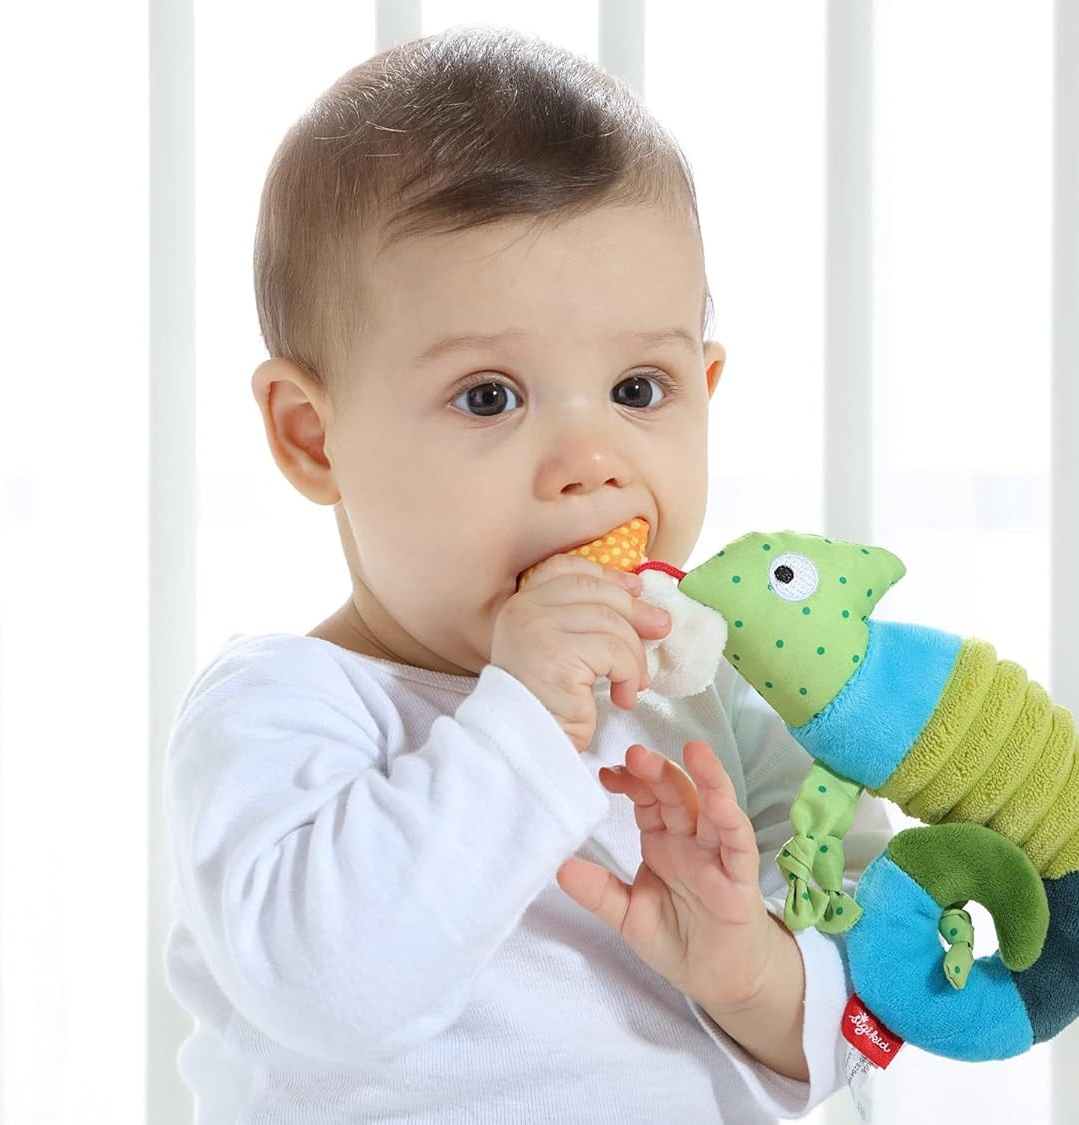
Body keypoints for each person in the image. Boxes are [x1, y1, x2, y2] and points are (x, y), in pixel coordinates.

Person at [162, 23, 897, 1123]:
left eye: (639, 390)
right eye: (490, 396)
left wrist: (752, 972)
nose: (591, 461)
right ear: (314, 436)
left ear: (705, 389)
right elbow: (332, 987)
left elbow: (863, 999)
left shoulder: (717, 699)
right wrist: (523, 718)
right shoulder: (282, 711)